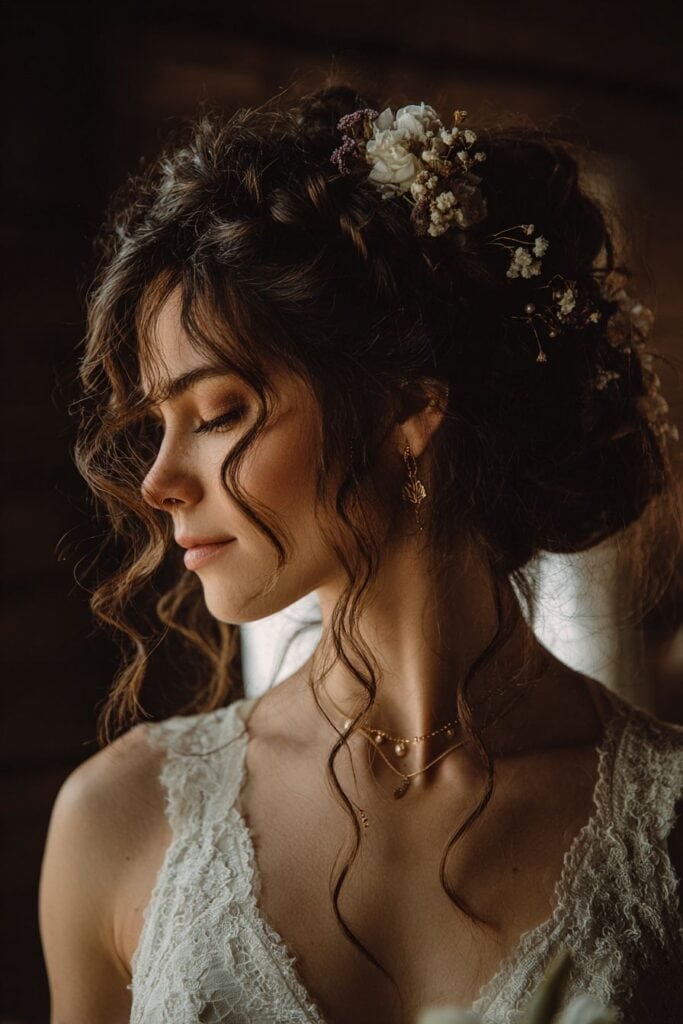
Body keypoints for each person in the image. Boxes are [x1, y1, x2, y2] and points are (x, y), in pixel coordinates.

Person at [39, 82, 683, 1024]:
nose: (159, 481)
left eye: (217, 414)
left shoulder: (663, 831)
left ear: (407, 411)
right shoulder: (120, 820)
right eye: (158, 425)